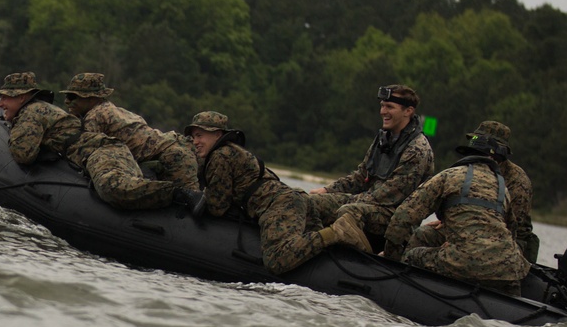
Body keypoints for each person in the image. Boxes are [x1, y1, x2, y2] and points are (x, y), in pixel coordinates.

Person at [185, 111, 372, 275]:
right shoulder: (232, 151)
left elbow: (217, 207)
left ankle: (337, 232)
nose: (195, 141)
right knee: (311, 247)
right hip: (292, 198)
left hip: (277, 204)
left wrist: (194, 199)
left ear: (217, 134)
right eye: (193, 137)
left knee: (276, 260)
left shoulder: (219, 156)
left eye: (200, 136)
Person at [0, 72, 204, 215]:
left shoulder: (32, 112)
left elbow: (23, 154)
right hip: (122, 150)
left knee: (112, 188)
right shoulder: (42, 111)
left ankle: (178, 193)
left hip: (103, 152)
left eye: (6, 98)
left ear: (22, 98)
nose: (0, 104)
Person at [381, 129, 531, 296]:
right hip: (507, 267)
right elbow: (512, 230)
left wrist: (390, 258)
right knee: (426, 235)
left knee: (413, 255)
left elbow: (402, 217)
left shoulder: (448, 176)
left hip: (463, 261)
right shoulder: (503, 189)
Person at [309, 84, 435, 248]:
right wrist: (327, 190)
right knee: (310, 201)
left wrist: (340, 200)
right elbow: (361, 176)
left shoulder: (417, 149)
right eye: (382, 106)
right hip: (370, 205)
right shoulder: (384, 139)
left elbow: (387, 196)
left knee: (347, 211)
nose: (383, 111)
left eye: (389, 107)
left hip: (395, 219)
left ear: (408, 111)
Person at [60, 72, 200, 191]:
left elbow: (85, 149)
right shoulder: (111, 109)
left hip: (174, 157)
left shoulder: (95, 117)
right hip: (175, 149)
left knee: (190, 201)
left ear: (91, 98)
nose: (67, 101)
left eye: (72, 97)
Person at [466, 121, 539, 263]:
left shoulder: (517, 181)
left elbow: (511, 226)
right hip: (470, 228)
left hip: (509, 240)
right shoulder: (473, 166)